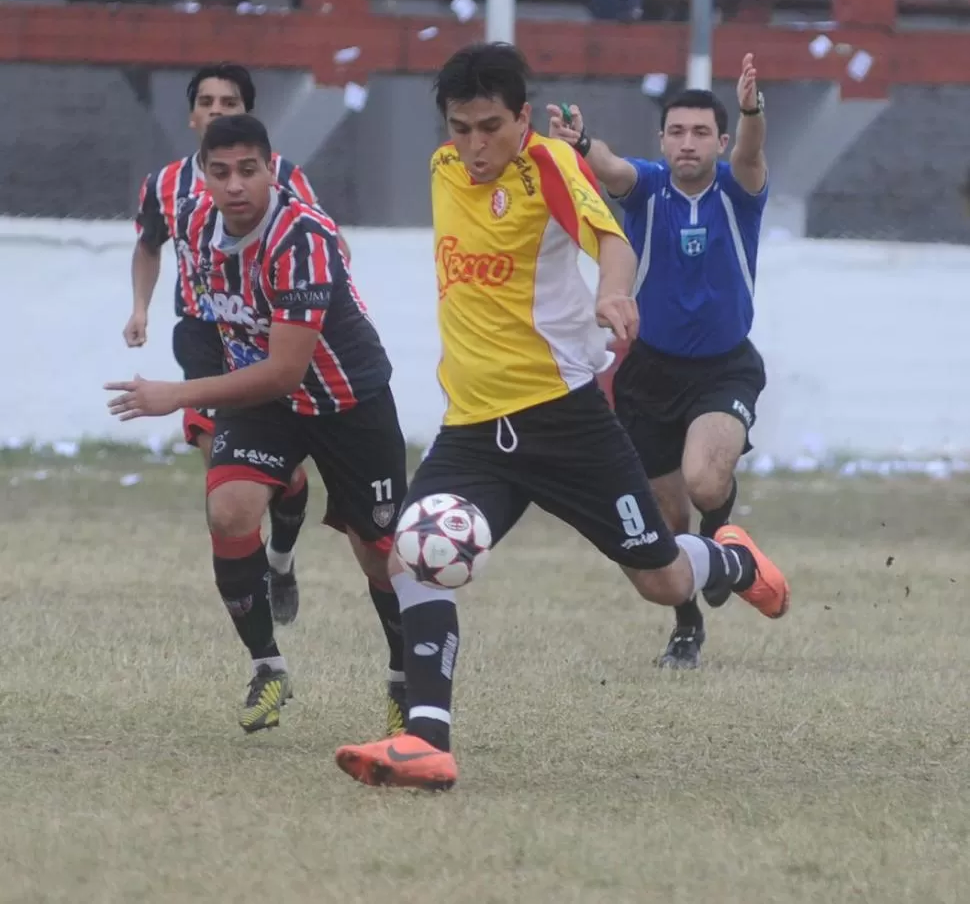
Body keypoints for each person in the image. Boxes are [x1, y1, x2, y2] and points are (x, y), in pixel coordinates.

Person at [333, 42, 790, 792]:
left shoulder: (546, 163)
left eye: (491, 126)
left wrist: (616, 293)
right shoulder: (443, 169)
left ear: (522, 116)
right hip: (475, 426)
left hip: (564, 421)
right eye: (460, 127)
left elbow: (608, 237)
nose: (476, 145)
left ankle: (731, 559)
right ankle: (427, 738)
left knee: (663, 582)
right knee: (415, 550)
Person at [106, 115, 409, 736]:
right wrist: (144, 312)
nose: (235, 185)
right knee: (228, 510)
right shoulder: (191, 219)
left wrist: (177, 394)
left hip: (348, 402)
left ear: (272, 169)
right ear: (204, 176)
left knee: (380, 558)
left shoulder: (302, 236)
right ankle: (268, 667)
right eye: (220, 172)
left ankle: (407, 680)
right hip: (267, 405)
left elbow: (285, 370)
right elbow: (166, 260)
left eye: (249, 170)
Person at [546, 54, 770, 670]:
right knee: (666, 519)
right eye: (677, 131)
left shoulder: (737, 189)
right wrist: (581, 142)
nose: (688, 143)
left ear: (719, 141)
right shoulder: (646, 187)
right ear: (663, 139)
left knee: (704, 481)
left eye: (701, 133)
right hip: (649, 373)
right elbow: (610, 167)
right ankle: (687, 625)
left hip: (726, 368)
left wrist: (751, 108)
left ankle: (723, 531)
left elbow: (752, 153)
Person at [123, 61, 348, 626]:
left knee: (287, 477)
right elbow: (149, 245)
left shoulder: (285, 178)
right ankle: (251, 603)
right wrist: (141, 307)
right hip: (202, 334)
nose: (217, 111)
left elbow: (326, 244)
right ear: (192, 114)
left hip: (263, 334)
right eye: (207, 101)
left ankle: (282, 557)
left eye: (230, 102)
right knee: (222, 465)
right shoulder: (165, 184)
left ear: (248, 115)